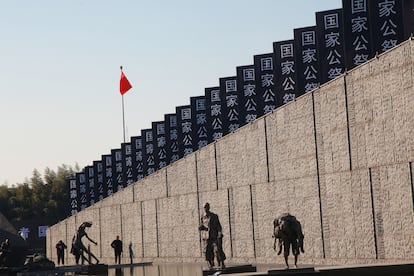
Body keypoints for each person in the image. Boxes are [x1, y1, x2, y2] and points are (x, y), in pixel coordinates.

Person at [198, 202, 226, 269]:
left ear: (209, 207)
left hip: (214, 236)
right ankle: (210, 265)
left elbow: (219, 226)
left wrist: (219, 233)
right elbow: (202, 225)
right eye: (204, 207)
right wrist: (201, 227)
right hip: (207, 237)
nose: (205, 208)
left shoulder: (214, 216)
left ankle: (222, 263)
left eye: (206, 207)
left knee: (218, 250)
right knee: (207, 251)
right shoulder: (203, 217)